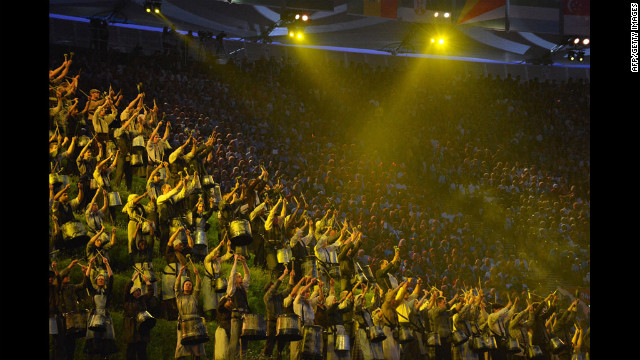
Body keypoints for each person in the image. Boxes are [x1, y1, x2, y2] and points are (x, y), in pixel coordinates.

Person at [84, 255, 118, 359]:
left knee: (106, 341)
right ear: (96, 281)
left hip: (105, 316)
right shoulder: (93, 291)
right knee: (93, 341)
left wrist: (107, 264)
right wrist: (90, 265)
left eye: (102, 279)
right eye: (99, 279)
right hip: (94, 317)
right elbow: (86, 279)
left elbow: (111, 278)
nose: (100, 280)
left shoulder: (107, 292)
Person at [175, 262, 205, 359]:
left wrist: (196, 274)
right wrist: (180, 273)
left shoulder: (194, 296)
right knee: (181, 346)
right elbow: (176, 286)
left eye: (190, 284)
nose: (188, 285)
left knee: (196, 346)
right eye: (186, 284)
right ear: (183, 287)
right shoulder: (179, 296)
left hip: (194, 322)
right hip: (183, 322)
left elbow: (199, 285)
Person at [263, 266, 295, 360]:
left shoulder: (278, 297)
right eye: (272, 287)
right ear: (269, 289)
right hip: (272, 323)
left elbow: (289, 289)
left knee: (280, 347)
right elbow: (276, 286)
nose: (275, 288)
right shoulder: (267, 297)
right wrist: (284, 274)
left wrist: (291, 277)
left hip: (280, 323)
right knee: (270, 344)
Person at [123, 270, 154, 360]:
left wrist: (147, 282)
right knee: (130, 353)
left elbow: (151, 293)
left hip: (142, 329)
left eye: (139, 291)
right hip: (131, 328)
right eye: (135, 291)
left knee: (142, 353)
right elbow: (126, 289)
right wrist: (133, 279)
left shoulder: (142, 299)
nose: (138, 292)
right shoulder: (127, 300)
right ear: (132, 293)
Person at [226, 254, 252, 359]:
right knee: (235, 340)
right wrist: (235, 261)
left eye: (241, 276)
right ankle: (233, 358)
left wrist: (244, 262)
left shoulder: (242, 287)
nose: (241, 278)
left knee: (245, 339)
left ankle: (243, 358)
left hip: (245, 315)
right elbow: (232, 275)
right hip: (236, 316)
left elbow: (248, 275)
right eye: (239, 276)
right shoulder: (232, 289)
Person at [202, 238, 233, 321]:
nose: (217, 255)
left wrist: (228, 246)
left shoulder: (218, 261)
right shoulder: (207, 260)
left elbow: (227, 256)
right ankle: (209, 318)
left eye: (218, 254)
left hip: (217, 281)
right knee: (209, 300)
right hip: (208, 281)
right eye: (216, 254)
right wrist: (219, 245)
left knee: (218, 299)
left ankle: (217, 317)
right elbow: (212, 253)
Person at [291, 276, 320, 360]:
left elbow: (320, 299)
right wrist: (310, 283)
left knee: (308, 351)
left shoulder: (309, 303)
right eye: (307, 292)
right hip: (300, 328)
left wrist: (320, 288)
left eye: (308, 292)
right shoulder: (297, 301)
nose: (308, 293)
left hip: (309, 328)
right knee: (297, 350)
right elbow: (302, 292)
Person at [214, 295, 233, 360]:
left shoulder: (232, 311)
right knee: (222, 351)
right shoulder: (222, 310)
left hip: (229, 331)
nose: (230, 301)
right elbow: (219, 306)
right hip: (222, 331)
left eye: (231, 300)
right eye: (228, 300)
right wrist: (225, 297)